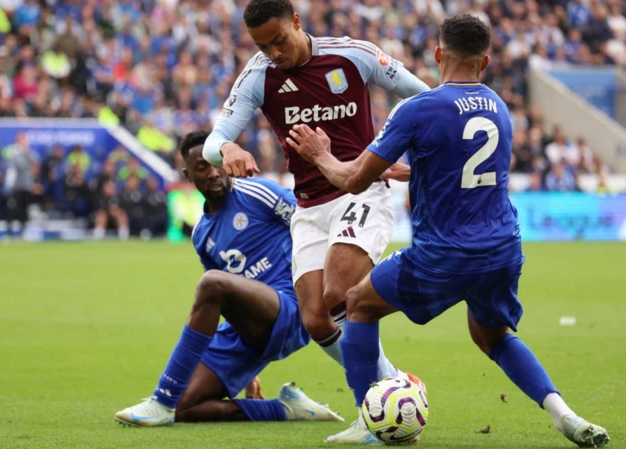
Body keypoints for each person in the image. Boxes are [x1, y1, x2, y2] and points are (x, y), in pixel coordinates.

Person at [287, 15, 610, 448]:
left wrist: (321, 154)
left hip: (444, 252)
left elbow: (354, 180)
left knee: (357, 302)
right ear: (486, 60)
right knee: (492, 336)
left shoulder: (418, 108)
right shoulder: (499, 107)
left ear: (438, 54)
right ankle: (563, 414)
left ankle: (368, 420)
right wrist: (414, 169)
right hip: (501, 248)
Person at [203, 3, 430, 436]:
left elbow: (425, 97)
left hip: (358, 190)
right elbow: (215, 140)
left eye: (278, 41)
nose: (273, 53)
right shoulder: (258, 76)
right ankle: (391, 392)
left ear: (297, 23)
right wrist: (228, 150)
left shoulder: (354, 55)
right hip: (308, 208)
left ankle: (375, 408)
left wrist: (391, 154)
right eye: (261, 46)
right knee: (314, 318)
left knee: (339, 293)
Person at [115, 130, 343, 427]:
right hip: (249, 331)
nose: (212, 173)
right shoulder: (201, 235)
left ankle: (161, 399)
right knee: (185, 408)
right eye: (201, 169)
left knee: (212, 283)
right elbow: (229, 301)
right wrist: (250, 369)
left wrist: (329, 289)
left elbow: (315, 224)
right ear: (188, 175)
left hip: (289, 308)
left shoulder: (257, 193)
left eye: (215, 163)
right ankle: (285, 408)